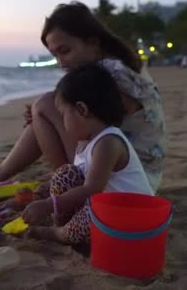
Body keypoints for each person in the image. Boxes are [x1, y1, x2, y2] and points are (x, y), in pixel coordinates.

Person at [0, 1, 166, 192]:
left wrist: (51, 112)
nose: (61, 62)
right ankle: (0, 175)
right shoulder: (116, 67)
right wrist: (52, 114)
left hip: (128, 181)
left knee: (45, 106)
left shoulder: (112, 76)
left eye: (65, 51)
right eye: (55, 55)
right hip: (133, 174)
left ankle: (66, 184)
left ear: (93, 43)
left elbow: (89, 125)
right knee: (46, 109)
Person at [22, 65, 154, 244]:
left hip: (132, 218)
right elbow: (80, 181)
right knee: (65, 173)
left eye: (63, 115)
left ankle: (58, 234)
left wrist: (48, 205)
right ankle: (62, 223)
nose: (63, 123)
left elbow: (92, 188)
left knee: (95, 213)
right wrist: (48, 197)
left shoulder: (108, 142)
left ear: (82, 110)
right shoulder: (86, 141)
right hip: (107, 207)